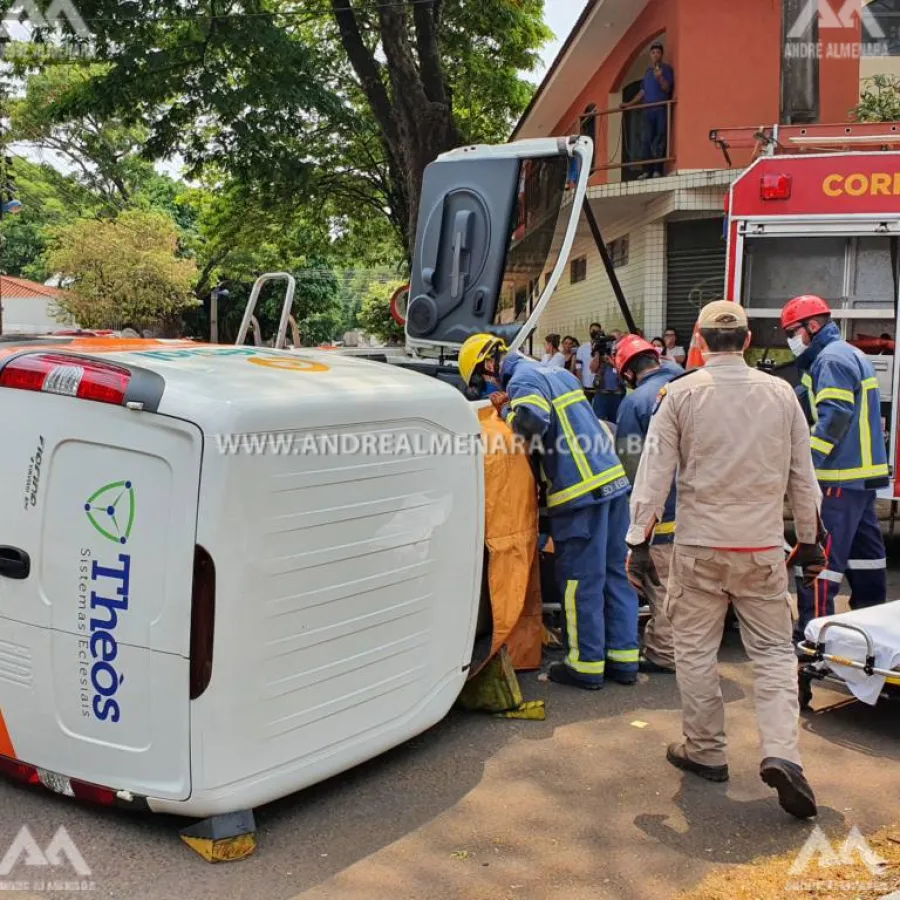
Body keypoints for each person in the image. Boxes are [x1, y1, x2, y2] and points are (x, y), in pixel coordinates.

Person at [625, 300, 824, 820]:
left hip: (698, 549)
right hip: (761, 548)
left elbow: (653, 479)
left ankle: (707, 751)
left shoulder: (681, 395)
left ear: (699, 338)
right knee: (776, 654)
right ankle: (782, 753)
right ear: (750, 340)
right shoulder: (782, 394)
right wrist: (809, 541)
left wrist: (637, 542)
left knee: (694, 651)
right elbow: (803, 479)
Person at [458, 333, 641, 690]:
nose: (487, 385)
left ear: (490, 364)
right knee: (613, 575)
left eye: (482, 378)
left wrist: (505, 409)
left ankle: (585, 665)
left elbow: (531, 423)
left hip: (579, 495)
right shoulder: (559, 374)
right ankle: (623, 660)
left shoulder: (524, 379)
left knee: (579, 582)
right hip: (613, 485)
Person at [782, 294, 890, 641]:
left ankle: (814, 636)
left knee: (819, 561)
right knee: (865, 558)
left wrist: (806, 464)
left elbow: (835, 414)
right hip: (858, 480)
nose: (791, 339)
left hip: (836, 480)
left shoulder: (831, 359)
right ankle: (872, 630)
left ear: (812, 326)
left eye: (792, 331)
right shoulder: (847, 353)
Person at [613, 335, 682, 674]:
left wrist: (633, 521)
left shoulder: (635, 403)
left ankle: (664, 652)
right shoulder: (690, 383)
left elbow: (630, 463)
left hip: (664, 511)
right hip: (710, 506)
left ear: (627, 373)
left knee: (664, 585)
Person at [621, 42, 674, 178]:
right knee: (646, 139)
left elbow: (667, 88)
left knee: (659, 138)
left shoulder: (666, 69)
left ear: (661, 55)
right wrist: (628, 104)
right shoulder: (648, 72)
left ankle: (657, 170)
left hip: (660, 109)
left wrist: (660, 77)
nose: (655, 55)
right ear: (650, 55)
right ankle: (646, 170)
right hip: (647, 110)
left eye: (658, 52)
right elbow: (642, 92)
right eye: (653, 52)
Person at [591, 339, 625, 423]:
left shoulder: (620, 356)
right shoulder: (601, 357)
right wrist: (597, 353)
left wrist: (612, 361)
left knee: (616, 422)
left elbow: (624, 372)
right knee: (598, 422)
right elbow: (592, 369)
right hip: (601, 394)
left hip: (616, 396)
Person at [576, 323, 605, 399]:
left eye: (597, 331)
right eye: (593, 330)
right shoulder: (582, 348)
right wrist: (580, 384)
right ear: (589, 331)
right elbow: (578, 367)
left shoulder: (603, 347)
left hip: (600, 385)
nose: (594, 332)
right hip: (586, 385)